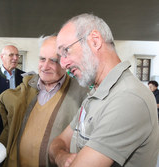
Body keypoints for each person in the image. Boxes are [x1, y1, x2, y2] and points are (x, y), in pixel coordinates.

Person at [49, 13, 159, 167]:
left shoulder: (128, 98)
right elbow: (57, 143)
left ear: (94, 41)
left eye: (66, 51)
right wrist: (62, 157)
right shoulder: (95, 94)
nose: (63, 64)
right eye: (60, 56)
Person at [0, 36, 88, 167]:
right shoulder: (27, 88)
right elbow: (9, 126)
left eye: (53, 61)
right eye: (42, 59)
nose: (45, 66)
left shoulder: (80, 94)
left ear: (64, 62)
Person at [0, 45, 25, 139]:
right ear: (2, 57)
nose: (15, 58)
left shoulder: (24, 77)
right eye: (11, 55)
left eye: (17, 55)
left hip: (19, 130)